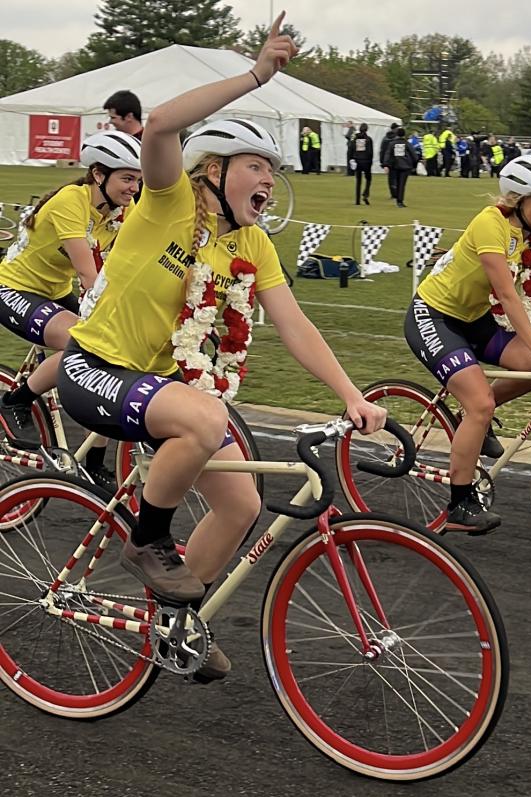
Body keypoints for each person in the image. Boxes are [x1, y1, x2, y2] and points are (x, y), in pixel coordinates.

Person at [55, 15, 386, 682]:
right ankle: (147, 540)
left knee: (241, 505)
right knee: (207, 419)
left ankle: (174, 626)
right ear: (214, 170)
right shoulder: (168, 199)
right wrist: (257, 75)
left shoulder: (254, 243)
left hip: (163, 387)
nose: (269, 179)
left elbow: (295, 324)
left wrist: (352, 395)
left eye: (272, 169)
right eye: (257, 166)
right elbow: (159, 125)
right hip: (95, 371)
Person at [403, 155, 531, 534]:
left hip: (475, 319)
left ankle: (472, 422)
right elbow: (507, 294)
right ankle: (460, 504)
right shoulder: (490, 223)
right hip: (434, 316)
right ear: (519, 200)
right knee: (481, 402)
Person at [0, 131, 142, 488]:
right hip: (15, 288)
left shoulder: (123, 210)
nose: (133, 188)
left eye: (138, 180)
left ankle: (94, 461)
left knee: (118, 355)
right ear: (98, 174)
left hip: (54, 292)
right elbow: (88, 274)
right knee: (83, 341)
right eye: (126, 178)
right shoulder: (70, 201)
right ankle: (16, 401)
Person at [385, 127, 417, 207]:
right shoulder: (407, 143)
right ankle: (400, 201)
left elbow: (388, 154)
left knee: (396, 182)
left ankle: (395, 193)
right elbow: (414, 155)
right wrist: (414, 163)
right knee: (402, 184)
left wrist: (386, 164)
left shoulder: (392, 143)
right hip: (405, 166)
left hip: (395, 166)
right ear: (404, 134)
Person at [348, 122, 374, 205]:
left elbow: (350, 149)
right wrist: (370, 162)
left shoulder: (355, 139)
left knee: (358, 181)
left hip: (357, 161)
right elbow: (370, 152)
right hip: (366, 161)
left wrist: (351, 159)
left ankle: (357, 201)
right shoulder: (368, 139)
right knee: (368, 179)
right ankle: (366, 193)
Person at [379, 124, 398, 199]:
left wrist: (383, 162)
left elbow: (382, 151)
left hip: (388, 161)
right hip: (396, 160)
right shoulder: (397, 139)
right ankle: (397, 192)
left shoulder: (385, 138)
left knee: (390, 178)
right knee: (397, 177)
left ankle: (393, 193)